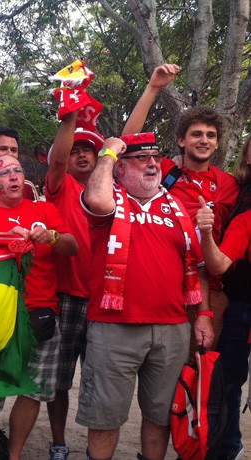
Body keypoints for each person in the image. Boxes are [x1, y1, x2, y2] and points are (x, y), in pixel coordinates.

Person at [78, 132, 214, 460]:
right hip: (114, 327)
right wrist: (107, 153)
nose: (152, 163)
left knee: (160, 415)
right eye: (141, 158)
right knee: (105, 417)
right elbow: (95, 199)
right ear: (120, 168)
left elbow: (197, 267)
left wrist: (205, 315)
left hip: (173, 328)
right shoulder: (110, 200)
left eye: (155, 157)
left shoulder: (177, 208)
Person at [0, 154, 78, 460]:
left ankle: (13, 456)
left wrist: (50, 237)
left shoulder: (44, 210)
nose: (13, 176)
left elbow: (73, 246)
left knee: (33, 392)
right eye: (4, 173)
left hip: (41, 314)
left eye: (17, 170)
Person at [123, 64, 239, 347]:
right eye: (197, 134)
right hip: (162, 280)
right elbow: (125, 145)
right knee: (164, 372)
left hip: (207, 290)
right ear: (181, 140)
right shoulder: (162, 170)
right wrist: (153, 89)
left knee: (201, 370)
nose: (204, 140)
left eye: (211, 136)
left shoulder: (227, 184)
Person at [43, 109, 105, 460]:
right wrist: (69, 114)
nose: (82, 155)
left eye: (89, 151)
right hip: (66, 294)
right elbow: (59, 159)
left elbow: (126, 141)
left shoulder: (112, 189)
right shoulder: (61, 185)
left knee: (101, 379)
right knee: (60, 379)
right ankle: (58, 442)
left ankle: (97, 447)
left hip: (105, 298)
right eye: (76, 150)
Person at [196, 135, 251, 460]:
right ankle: (223, 446)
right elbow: (219, 259)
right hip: (235, 299)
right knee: (227, 380)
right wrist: (205, 232)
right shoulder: (236, 191)